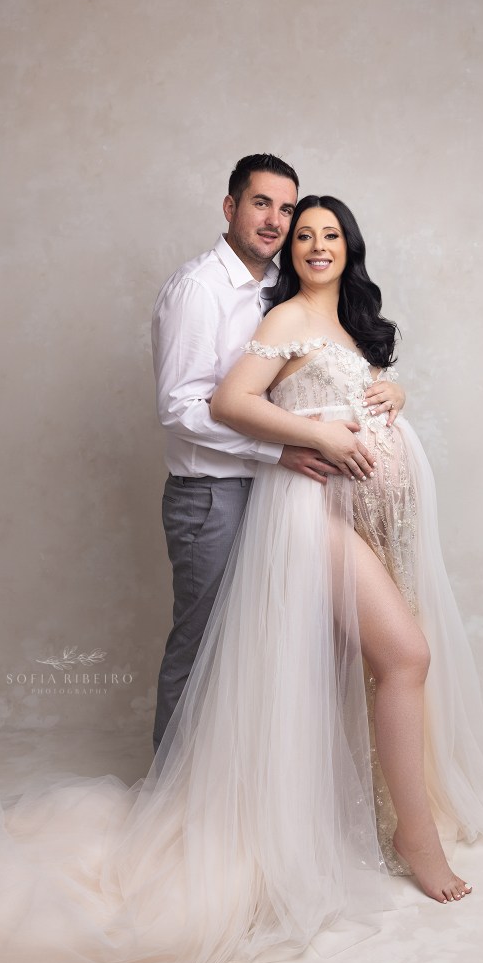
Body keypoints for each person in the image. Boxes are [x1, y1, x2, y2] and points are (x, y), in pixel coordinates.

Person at [0, 195, 483, 963]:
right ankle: (415, 841)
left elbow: (345, 393)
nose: (314, 244)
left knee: (376, 668)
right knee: (405, 657)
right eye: (303, 234)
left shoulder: (347, 326)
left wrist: (395, 395)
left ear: (350, 248)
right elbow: (227, 402)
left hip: (364, 522)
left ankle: (374, 817)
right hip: (311, 518)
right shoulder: (283, 317)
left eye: (329, 234)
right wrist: (317, 436)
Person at [152, 154, 405, 750]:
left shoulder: (282, 288)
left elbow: (320, 372)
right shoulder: (198, 290)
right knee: (202, 643)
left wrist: (394, 390)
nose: (274, 220)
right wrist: (280, 449)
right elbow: (180, 408)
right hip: (212, 493)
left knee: (262, 644)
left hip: (280, 494)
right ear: (230, 207)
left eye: (286, 208)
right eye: (260, 203)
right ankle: (170, 787)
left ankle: (247, 778)